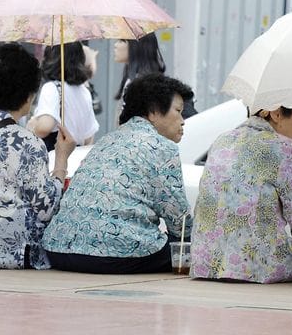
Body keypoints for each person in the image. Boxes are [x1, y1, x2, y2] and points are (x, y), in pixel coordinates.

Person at [42, 73, 193, 274]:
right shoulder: (162, 147)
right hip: (115, 255)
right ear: (154, 111)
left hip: (58, 249)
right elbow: (180, 223)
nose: (183, 121)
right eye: (178, 111)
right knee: (184, 246)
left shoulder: (107, 140)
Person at [0, 44, 74, 269]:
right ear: (28, 95)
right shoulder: (28, 143)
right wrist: (61, 159)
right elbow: (46, 210)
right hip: (14, 256)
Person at [190, 105, 292, 283]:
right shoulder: (286, 148)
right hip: (258, 266)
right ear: (276, 113)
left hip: (206, 264)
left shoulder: (221, 141)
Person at [27, 42, 99, 150]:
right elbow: (89, 137)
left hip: (55, 159)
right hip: (77, 158)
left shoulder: (52, 88)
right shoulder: (84, 91)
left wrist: (33, 127)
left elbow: (45, 126)